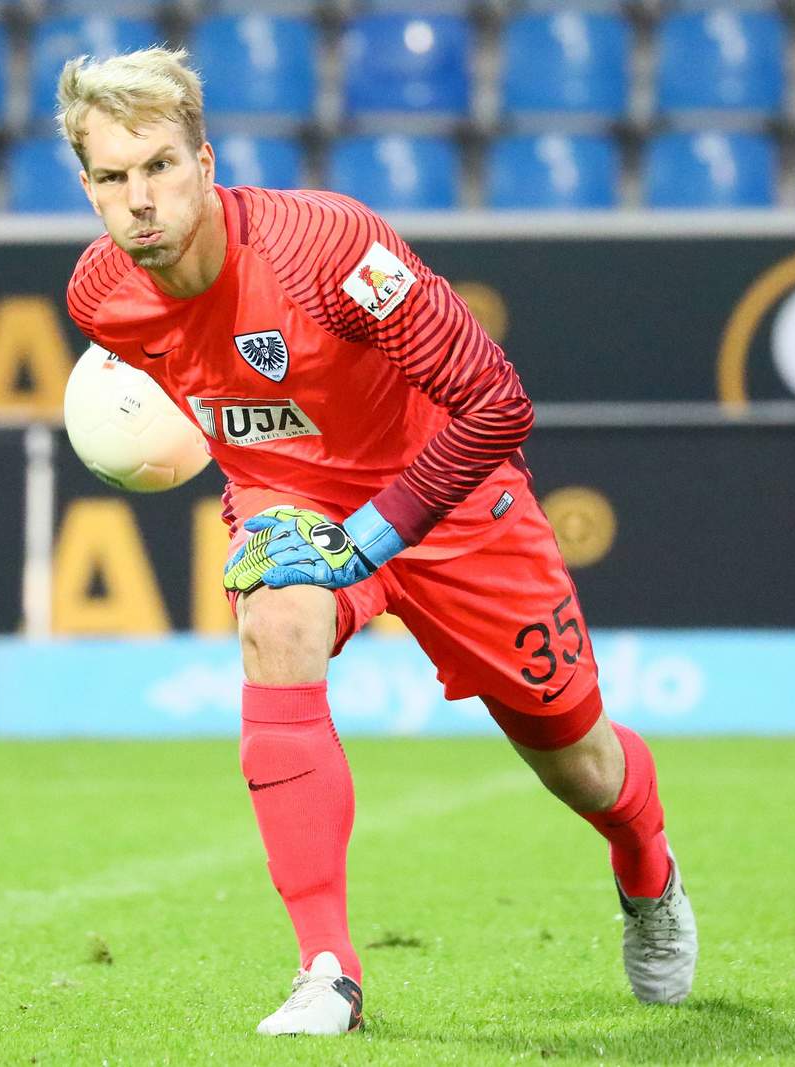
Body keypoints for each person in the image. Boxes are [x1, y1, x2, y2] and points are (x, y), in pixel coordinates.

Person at [59, 47, 696, 1036]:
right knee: (276, 623)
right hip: (294, 499)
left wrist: (369, 538)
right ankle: (328, 971)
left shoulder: (326, 248)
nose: (139, 199)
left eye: (159, 166)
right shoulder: (100, 297)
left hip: (451, 499)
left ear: (204, 162)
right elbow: (215, 397)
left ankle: (647, 870)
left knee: (578, 760)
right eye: (111, 176)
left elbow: (496, 402)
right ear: (87, 185)